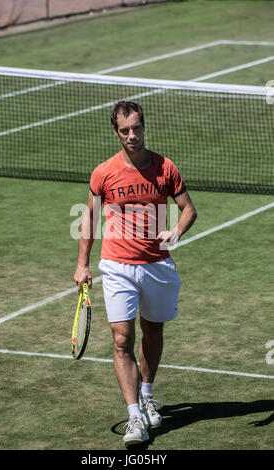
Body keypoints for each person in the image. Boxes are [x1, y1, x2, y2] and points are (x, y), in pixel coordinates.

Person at [74, 101, 197, 446]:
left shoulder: (164, 167)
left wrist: (176, 231)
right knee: (121, 339)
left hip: (157, 265)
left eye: (137, 127)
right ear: (116, 132)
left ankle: (146, 393)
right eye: (125, 130)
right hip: (117, 266)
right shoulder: (104, 173)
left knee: (153, 331)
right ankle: (134, 418)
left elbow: (189, 209)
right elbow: (90, 218)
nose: (132, 135)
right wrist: (83, 263)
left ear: (144, 126)